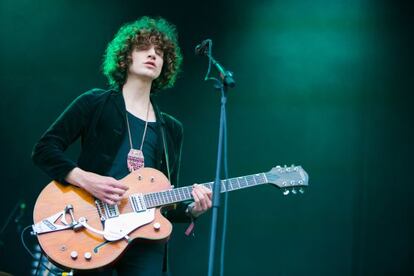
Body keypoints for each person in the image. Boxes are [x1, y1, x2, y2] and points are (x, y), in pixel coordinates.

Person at [32, 16, 212, 275]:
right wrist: (85, 179)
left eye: (160, 52)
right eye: (144, 48)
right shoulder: (95, 103)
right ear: (126, 57)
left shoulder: (171, 129)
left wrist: (193, 210)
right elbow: (44, 149)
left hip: (144, 240)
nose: (153, 54)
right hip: (91, 229)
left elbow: (166, 204)